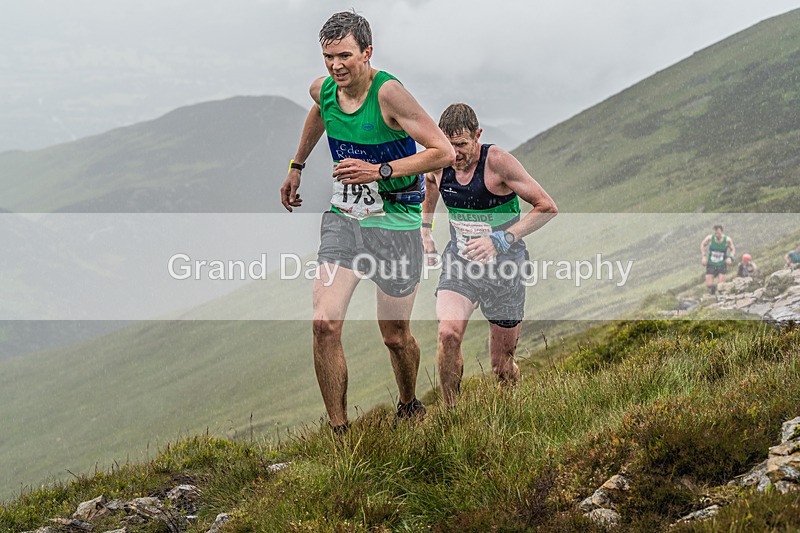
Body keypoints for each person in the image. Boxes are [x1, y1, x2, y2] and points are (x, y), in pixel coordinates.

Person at [279, 11, 454, 432]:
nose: (336, 66)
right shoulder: (324, 89)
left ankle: (409, 404)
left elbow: (443, 151)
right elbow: (320, 111)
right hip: (345, 219)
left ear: (367, 52)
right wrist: (297, 164)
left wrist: (380, 171)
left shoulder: (389, 94)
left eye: (344, 56)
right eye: (327, 56)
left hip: (395, 222)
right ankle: (340, 435)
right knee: (324, 323)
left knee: (394, 335)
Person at [422, 103, 557, 407]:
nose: (455, 153)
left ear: (478, 135)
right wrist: (425, 229)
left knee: (502, 367)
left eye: (462, 145)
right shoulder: (439, 162)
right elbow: (430, 184)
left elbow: (546, 206)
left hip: (505, 267)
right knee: (448, 333)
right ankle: (451, 414)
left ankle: (510, 412)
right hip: (461, 263)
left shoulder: (497, 163)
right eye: (449, 145)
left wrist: (501, 239)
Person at [700, 225, 735, 295]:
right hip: (711, 264)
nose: (716, 234)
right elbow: (702, 244)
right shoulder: (710, 238)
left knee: (721, 286)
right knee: (709, 285)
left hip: (721, 264)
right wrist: (704, 256)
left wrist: (730, 258)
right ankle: (712, 296)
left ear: (722, 232)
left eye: (718, 232)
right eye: (715, 232)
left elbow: (733, 249)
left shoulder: (727, 240)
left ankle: (721, 297)